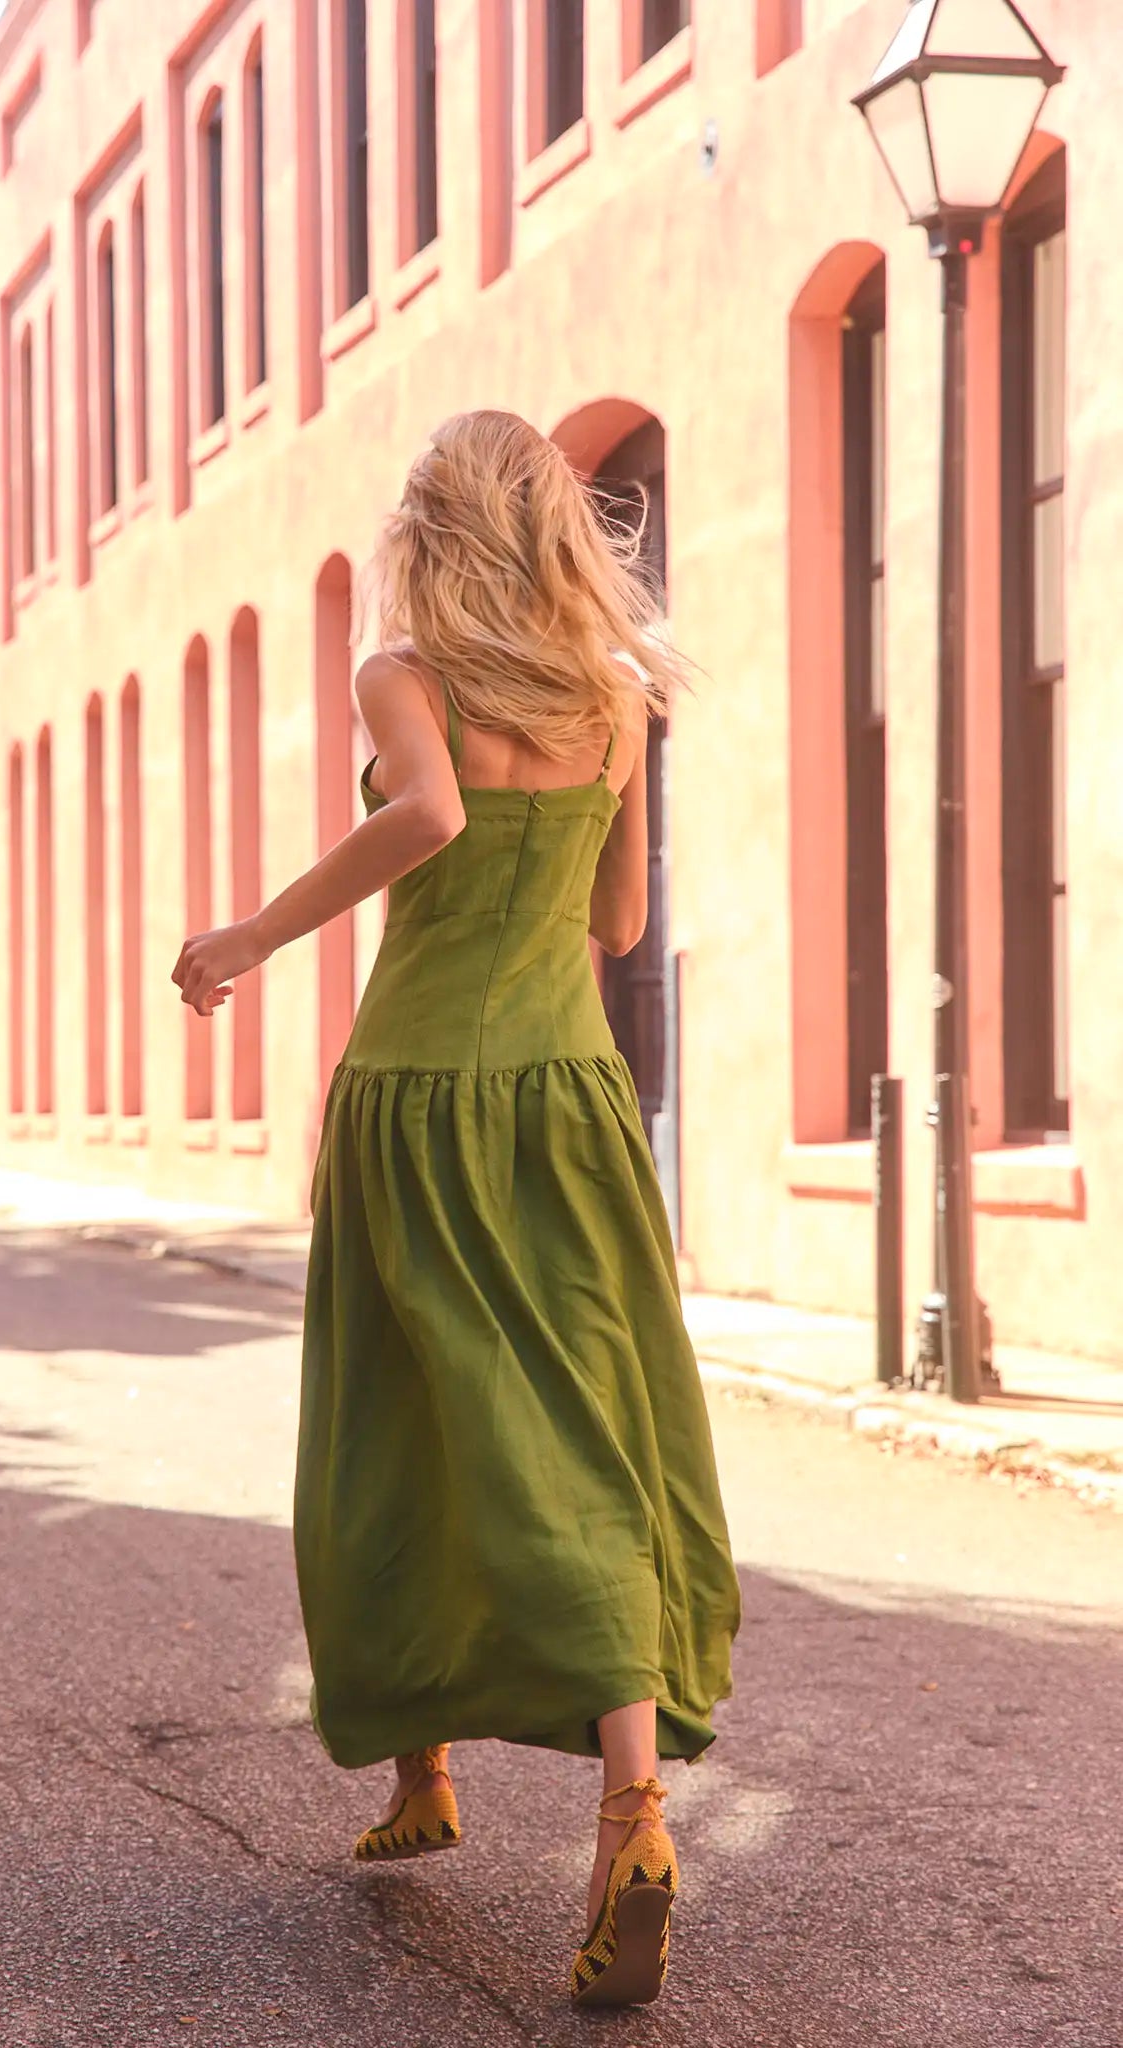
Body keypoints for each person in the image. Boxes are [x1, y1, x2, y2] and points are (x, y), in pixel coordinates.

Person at [173, 409, 740, 2009]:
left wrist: (248, 936)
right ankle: (627, 1810)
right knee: (575, 1425)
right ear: (556, 527)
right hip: (567, 1097)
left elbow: (422, 815)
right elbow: (617, 916)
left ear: (431, 527)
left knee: (394, 1411)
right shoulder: (613, 698)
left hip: (417, 1093)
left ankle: (423, 1768)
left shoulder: (401, 674)